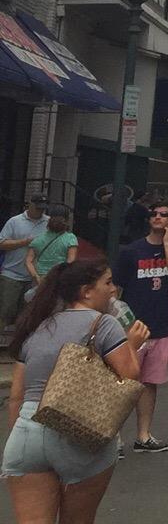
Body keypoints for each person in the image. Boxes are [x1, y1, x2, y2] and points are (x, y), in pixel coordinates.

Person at [2, 259, 144, 523]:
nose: (113, 289)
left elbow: (17, 396)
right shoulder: (104, 324)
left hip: (27, 431)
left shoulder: (37, 327)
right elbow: (129, 376)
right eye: (107, 283)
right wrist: (133, 345)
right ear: (86, 291)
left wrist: (19, 436)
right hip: (78, 429)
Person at [112, 196, 168, 453]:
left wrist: (166, 243)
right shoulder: (131, 251)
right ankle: (114, 437)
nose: (158, 217)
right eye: (154, 214)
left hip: (161, 326)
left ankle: (143, 435)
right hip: (132, 328)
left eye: (164, 214)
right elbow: (115, 288)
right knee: (123, 381)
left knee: (149, 383)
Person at [0, 195, 49, 346]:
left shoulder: (48, 222)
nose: (40, 211)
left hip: (36, 275)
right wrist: (25, 242)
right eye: (37, 208)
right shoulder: (15, 221)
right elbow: (2, 243)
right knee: (6, 309)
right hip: (12, 273)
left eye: (42, 208)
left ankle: (21, 343)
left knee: (29, 312)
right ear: (29, 205)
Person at [25, 206, 79, 287]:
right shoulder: (70, 238)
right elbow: (70, 261)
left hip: (41, 279)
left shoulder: (38, 239)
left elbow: (28, 261)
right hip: (59, 279)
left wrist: (36, 276)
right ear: (67, 220)